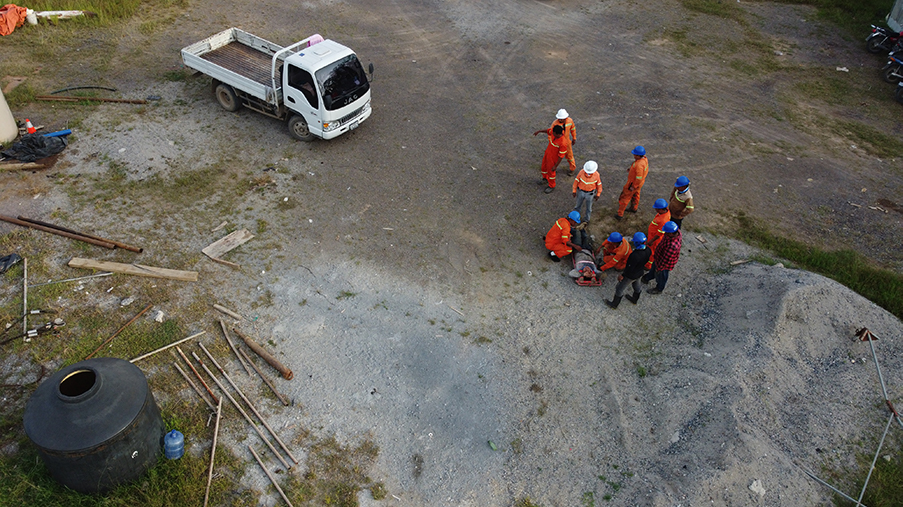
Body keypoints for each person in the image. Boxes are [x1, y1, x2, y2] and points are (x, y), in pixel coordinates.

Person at [606, 232, 652, 308]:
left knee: (619, 289)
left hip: (631, 276)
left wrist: (623, 275)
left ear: (637, 242)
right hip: (640, 272)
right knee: (637, 286)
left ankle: (614, 304)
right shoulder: (648, 250)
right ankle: (634, 299)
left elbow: (629, 268)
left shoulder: (634, 255)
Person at [641, 221, 681, 294]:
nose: (664, 233)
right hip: (658, 257)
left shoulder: (672, 246)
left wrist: (659, 268)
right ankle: (648, 277)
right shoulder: (676, 232)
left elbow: (665, 260)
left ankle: (659, 289)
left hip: (664, 264)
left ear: (671, 233)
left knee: (661, 276)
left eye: (666, 232)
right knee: (653, 268)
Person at [533, 124, 569, 193]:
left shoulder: (563, 143)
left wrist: (555, 166)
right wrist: (539, 131)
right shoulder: (554, 132)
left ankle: (551, 185)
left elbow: (561, 156)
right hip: (547, 155)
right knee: (543, 167)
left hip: (552, 160)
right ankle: (545, 179)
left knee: (551, 172)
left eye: (553, 133)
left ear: (557, 134)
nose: (552, 134)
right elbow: (548, 131)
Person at [615, 146, 648, 220]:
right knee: (636, 195)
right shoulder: (644, 160)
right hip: (639, 184)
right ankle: (634, 208)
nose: (634, 155)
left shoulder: (639, 165)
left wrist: (633, 186)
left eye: (635, 154)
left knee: (625, 197)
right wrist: (631, 169)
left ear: (638, 155)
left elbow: (638, 177)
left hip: (633, 184)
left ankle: (620, 214)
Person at [645, 198, 672, 269]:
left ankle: (648, 265)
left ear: (661, 209)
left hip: (655, 239)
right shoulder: (665, 212)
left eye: (656, 209)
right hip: (652, 235)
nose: (655, 210)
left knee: (652, 252)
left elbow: (659, 234)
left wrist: (651, 241)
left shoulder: (663, 220)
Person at [549, 108, 577, 175]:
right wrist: (552, 143)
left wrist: (574, 138)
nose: (560, 120)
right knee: (554, 156)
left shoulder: (570, 121)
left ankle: (572, 169)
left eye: (562, 119)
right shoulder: (555, 123)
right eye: (559, 119)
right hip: (558, 144)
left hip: (567, 143)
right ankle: (552, 168)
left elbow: (573, 129)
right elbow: (550, 133)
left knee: (570, 156)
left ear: (566, 118)